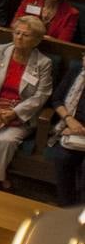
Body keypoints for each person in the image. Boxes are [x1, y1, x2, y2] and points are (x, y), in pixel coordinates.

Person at [0, 15, 52, 191]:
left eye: (25, 35)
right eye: (17, 33)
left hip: (20, 113)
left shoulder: (43, 63)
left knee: (5, 141)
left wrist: (13, 114)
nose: (19, 37)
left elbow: (41, 95)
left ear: (36, 41)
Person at [46, 62, 85, 207]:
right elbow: (57, 99)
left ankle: (81, 212)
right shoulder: (76, 70)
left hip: (78, 131)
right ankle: (66, 206)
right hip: (71, 127)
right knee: (62, 157)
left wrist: (80, 130)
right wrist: (69, 120)